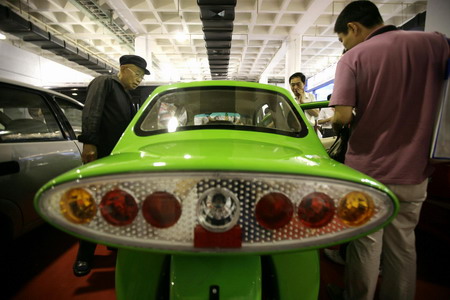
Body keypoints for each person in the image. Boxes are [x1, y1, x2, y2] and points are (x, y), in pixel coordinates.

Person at [328, 1, 449, 300]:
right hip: (415, 171)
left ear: (353, 28)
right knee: (404, 244)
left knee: (366, 243)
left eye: (343, 38)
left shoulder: (352, 58)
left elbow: (342, 117)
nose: (345, 45)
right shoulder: (434, 42)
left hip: (367, 172)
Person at [73, 54, 150, 277]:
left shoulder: (125, 95)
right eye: (137, 74)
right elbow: (92, 111)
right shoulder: (105, 82)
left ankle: (111, 241)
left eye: (142, 77)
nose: (139, 80)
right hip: (100, 155)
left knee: (115, 202)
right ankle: (84, 256)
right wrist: (89, 142)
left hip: (115, 158)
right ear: (124, 69)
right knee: (92, 205)